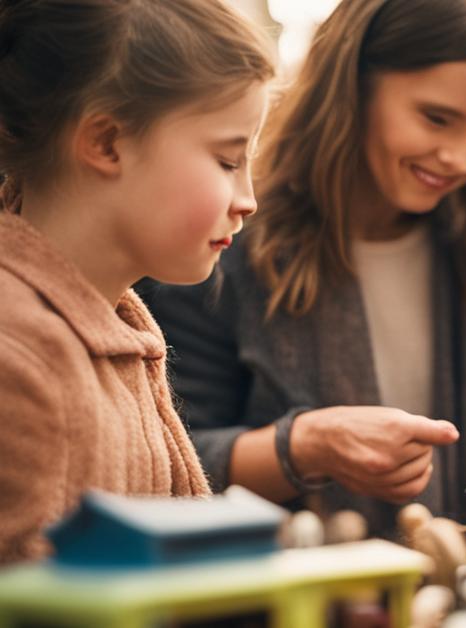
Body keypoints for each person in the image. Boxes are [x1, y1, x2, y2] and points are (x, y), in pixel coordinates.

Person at [141, 0, 466, 546]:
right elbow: (164, 467)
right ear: (351, 88)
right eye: (436, 118)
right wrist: (302, 448)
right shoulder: (222, 244)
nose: (459, 157)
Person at [0, 0, 274, 563]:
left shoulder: (111, 323)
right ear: (106, 143)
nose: (249, 200)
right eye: (227, 160)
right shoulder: (19, 356)